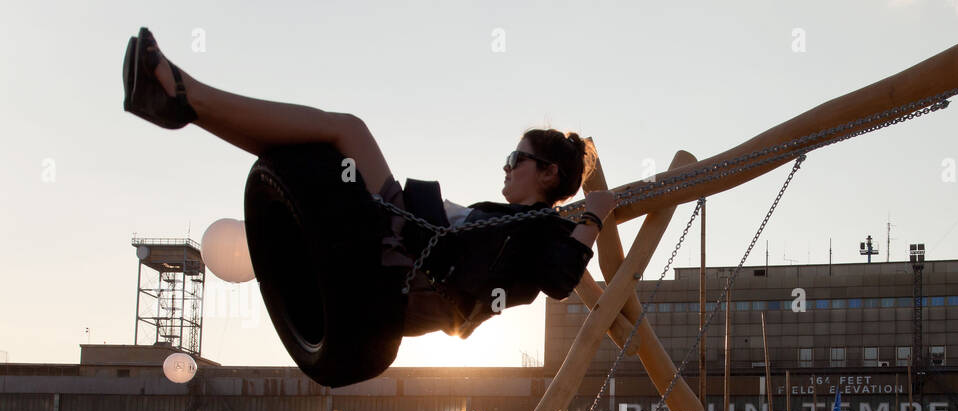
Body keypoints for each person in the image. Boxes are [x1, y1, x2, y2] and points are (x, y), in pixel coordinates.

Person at [123, 29, 614, 358]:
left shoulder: (547, 228)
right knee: (313, 151)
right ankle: (183, 104)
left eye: (516, 159)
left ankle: (186, 99)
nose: (505, 167)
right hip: (404, 247)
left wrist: (592, 217)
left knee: (347, 131)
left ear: (548, 174)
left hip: (412, 270)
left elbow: (558, 280)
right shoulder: (499, 218)